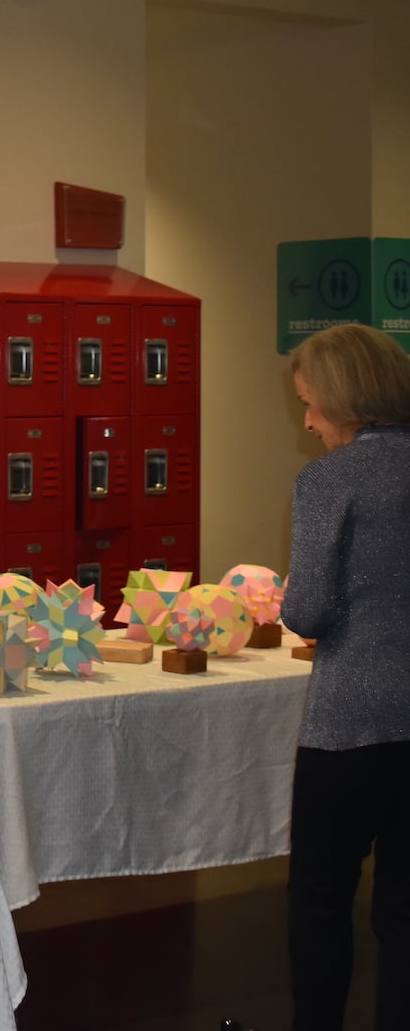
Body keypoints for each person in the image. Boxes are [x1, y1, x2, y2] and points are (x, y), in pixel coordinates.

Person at [285, 323, 410, 1031]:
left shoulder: (330, 479)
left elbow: (308, 610)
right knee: (403, 912)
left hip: (349, 727)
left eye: (310, 403)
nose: (306, 422)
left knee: (321, 901)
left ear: (344, 398)